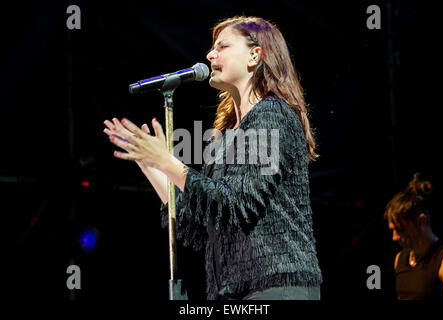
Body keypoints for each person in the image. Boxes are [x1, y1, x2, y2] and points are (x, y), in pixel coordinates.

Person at [103, 16, 322, 300]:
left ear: (255, 55)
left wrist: (170, 162)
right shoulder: (223, 138)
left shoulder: (272, 115)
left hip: (276, 286)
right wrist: (152, 163)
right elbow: (196, 225)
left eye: (223, 46)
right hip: (233, 292)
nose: (209, 55)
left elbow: (237, 205)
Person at [385, 173, 443, 300]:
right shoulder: (400, 259)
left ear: (422, 222)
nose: (394, 237)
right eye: (392, 230)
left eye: (400, 230)